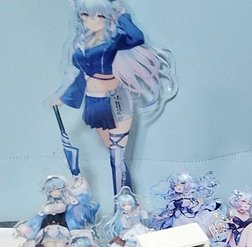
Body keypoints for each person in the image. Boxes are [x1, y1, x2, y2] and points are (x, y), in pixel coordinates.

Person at [53, 0, 176, 195]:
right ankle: (128, 200)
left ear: (108, 17)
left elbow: (137, 37)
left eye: (99, 15)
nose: (92, 21)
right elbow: (81, 76)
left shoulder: (115, 39)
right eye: (85, 15)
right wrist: (63, 98)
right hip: (94, 102)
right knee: (113, 154)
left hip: (115, 100)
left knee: (116, 158)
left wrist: (122, 16)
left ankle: (121, 205)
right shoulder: (82, 41)